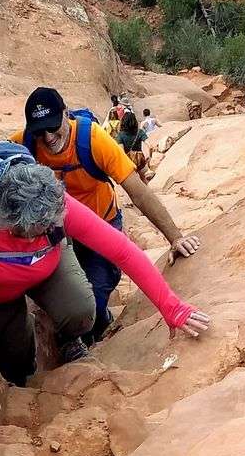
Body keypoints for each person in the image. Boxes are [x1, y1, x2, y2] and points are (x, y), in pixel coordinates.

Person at [0, 151, 210, 386]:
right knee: (15, 359)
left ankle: (66, 338)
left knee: (83, 311)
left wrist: (173, 309)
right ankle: (25, 364)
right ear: (4, 216)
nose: (34, 236)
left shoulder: (61, 208)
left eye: (43, 229)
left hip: (46, 269)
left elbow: (123, 251)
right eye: (25, 232)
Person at [13, 87, 201, 343]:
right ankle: (84, 336)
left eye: (52, 127)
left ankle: (98, 332)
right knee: (69, 300)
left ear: (66, 114)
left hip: (101, 225)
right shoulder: (23, 145)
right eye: (39, 130)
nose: (47, 137)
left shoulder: (92, 139)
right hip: (57, 233)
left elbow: (137, 190)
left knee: (97, 296)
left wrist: (175, 237)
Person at [116, 110, 149, 179]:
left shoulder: (120, 135)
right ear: (134, 121)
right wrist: (149, 157)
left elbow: (122, 152)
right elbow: (150, 145)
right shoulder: (140, 132)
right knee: (144, 179)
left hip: (128, 162)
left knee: (134, 182)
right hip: (139, 160)